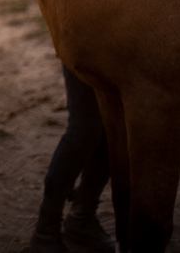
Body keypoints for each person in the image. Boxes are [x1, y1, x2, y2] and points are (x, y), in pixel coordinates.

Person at [28, 65, 115, 252]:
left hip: (122, 49)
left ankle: (82, 217)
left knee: (111, 128)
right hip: (83, 45)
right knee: (85, 127)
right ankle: (46, 230)